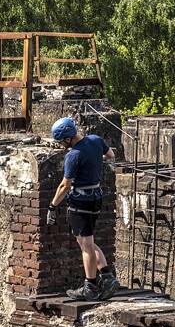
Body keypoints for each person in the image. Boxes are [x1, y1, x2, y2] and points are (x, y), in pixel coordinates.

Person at [46, 117, 120, 301]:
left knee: (85, 245)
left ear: (67, 138)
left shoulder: (73, 155)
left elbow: (64, 185)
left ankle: (91, 286)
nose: (62, 145)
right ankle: (108, 277)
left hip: (81, 201)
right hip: (96, 196)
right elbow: (110, 155)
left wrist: (52, 206)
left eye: (62, 142)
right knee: (88, 241)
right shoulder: (95, 140)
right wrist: (93, 160)